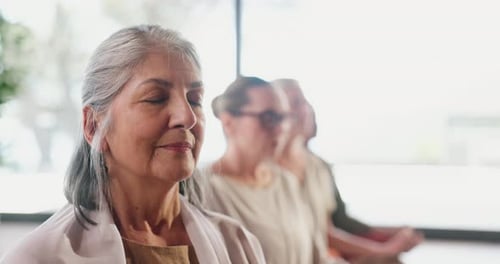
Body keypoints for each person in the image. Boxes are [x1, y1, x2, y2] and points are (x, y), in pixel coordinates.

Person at [1, 25, 265, 264]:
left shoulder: (238, 244)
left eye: (194, 99)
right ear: (93, 126)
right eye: (156, 98)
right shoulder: (40, 257)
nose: (187, 117)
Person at [272, 78, 424, 264]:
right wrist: (382, 248)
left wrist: (387, 241)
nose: (303, 109)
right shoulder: (266, 172)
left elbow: (330, 228)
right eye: (295, 102)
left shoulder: (317, 167)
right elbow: (326, 234)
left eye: (304, 102)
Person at [201, 76, 346, 264]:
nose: (280, 129)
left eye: (283, 118)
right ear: (228, 122)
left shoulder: (287, 182)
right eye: (268, 118)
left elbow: (318, 257)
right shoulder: (205, 190)